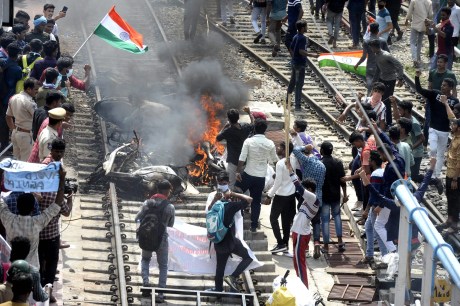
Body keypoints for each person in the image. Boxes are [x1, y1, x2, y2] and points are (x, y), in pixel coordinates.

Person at [0, 165, 67, 268]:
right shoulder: (37, 222)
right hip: (31, 268)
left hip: (11, 267)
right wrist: (62, 178)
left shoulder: (8, 219)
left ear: (17, 206)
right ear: (33, 209)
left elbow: (1, 203)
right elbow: (56, 204)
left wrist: (1, 173)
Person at [38, 138, 72, 303]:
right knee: (50, 265)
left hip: (38, 234)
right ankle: (47, 290)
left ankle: (41, 289)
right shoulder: (53, 195)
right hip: (51, 236)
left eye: (61, 152)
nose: (59, 154)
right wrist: (69, 198)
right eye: (57, 152)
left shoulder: (39, 193)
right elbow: (66, 212)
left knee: (41, 263)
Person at [415, 69, 458, 188]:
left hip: (444, 131)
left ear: (450, 87)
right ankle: (431, 169)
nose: (442, 86)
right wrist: (417, 77)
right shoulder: (435, 93)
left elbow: (454, 116)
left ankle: (435, 175)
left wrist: (446, 103)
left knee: (440, 154)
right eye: (442, 85)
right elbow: (420, 90)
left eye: (444, 85)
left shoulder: (454, 101)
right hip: (433, 128)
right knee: (433, 149)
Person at [206, 190, 253, 292]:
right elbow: (249, 199)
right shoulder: (231, 206)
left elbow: (208, 210)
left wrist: (215, 199)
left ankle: (218, 290)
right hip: (231, 242)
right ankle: (233, 277)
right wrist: (233, 193)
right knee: (248, 257)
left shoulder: (216, 205)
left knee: (220, 268)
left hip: (218, 241)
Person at [135, 180, 175, 302]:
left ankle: (146, 283)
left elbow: (137, 218)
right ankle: (160, 294)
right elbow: (171, 224)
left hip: (146, 236)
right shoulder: (170, 207)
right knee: (163, 266)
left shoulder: (147, 203)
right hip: (161, 239)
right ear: (167, 191)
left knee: (145, 259)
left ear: (157, 190)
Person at [236, 119, 278, 232]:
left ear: (254, 129)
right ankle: (254, 226)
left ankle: (237, 215)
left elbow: (242, 158)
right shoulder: (270, 143)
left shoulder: (248, 141)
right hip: (260, 177)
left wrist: (237, 172)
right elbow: (275, 161)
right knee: (256, 201)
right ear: (265, 130)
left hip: (248, 174)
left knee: (236, 192)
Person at [286, 160, 319, 288]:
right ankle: (301, 285)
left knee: (300, 263)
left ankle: (304, 288)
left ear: (310, 189)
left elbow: (299, 187)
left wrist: (290, 171)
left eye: (306, 189)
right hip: (297, 232)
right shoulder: (309, 199)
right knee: (296, 262)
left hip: (301, 234)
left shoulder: (313, 199)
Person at [292, 142, 326, 259]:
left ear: (306, 154)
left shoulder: (306, 161)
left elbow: (295, 150)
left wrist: (304, 147)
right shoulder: (322, 165)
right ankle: (317, 242)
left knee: (304, 221)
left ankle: (305, 248)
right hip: (319, 197)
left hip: (306, 196)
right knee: (316, 222)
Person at [264, 141, 296, 254]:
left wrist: (269, 195)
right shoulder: (293, 159)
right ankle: (285, 244)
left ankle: (280, 243)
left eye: (279, 147)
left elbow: (277, 183)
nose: (277, 148)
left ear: (283, 149)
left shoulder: (280, 163)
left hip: (281, 195)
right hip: (291, 195)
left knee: (273, 219)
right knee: (286, 221)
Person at [437, 96, 460, 233]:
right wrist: (446, 104)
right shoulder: (456, 136)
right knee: (450, 196)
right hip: (450, 172)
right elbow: (452, 118)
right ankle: (450, 219)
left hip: (456, 175)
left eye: (454, 125)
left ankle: (454, 224)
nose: (452, 126)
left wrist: (456, 178)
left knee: (455, 198)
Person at [0, 237, 48, 303]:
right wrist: (47, 293)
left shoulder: (2, 267)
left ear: (12, 250)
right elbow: (39, 296)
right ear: (27, 253)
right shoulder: (33, 271)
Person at [362, 151, 388, 267]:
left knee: (377, 231)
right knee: (368, 227)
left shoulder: (375, 175)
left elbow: (374, 194)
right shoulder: (382, 171)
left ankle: (385, 257)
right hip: (381, 205)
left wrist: (368, 209)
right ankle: (369, 254)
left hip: (376, 207)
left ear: (373, 162)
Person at [216, 107, 253, 189]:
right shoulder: (245, 126)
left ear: (228, 119)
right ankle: (244, 200)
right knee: (243, 183)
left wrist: (224, 127)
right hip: (244, 161)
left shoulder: (228, 131)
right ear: (238, 117)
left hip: (233, 161)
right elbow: (253, 125)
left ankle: (232, 200)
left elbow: (217, 138)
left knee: (231, 183)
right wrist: (249, 113)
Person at [320, 141, 347, 253]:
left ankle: (326, 246)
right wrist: (344, 195)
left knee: (325, 220)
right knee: (337, 217)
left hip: (324, 196)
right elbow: (343, 180)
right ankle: (340, 241)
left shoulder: (320, 163)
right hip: (336, 195)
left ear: (321, 151)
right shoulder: (338, 162)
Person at [370, 39, 404, 126]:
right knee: (377, 99)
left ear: (374, 47)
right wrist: (374, 82)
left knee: (386, 101)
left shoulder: (386, 55)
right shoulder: (376, 55)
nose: (371, 49)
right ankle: (379, 119)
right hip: (382, 78)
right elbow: (378, 69)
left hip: (390, 80)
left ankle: (388, 122)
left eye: (371, 47)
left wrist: (400, 78)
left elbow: (399, 65)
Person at [391, 98, 425, 181]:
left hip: (416, 152)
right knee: (408, 175)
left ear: (406, 110)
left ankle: (432, 180)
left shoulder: (414, 123)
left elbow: (422, 138)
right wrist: (394, 103)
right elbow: (396, 117)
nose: (399, 111)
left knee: (413, 177)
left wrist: (411, 147)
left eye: (400, 110)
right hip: (409, 149)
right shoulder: (404, 120)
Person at [5, 78, 39, 161]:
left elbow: (8, 116)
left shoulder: (13, 98)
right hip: (25, 135)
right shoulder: (29, 102)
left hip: (16, 133)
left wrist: (13, 129)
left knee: (17, 161)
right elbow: (37, 118)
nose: (37, 91)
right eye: (35, 89)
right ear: (28, 89)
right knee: (26, 163)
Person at [287, 20, 318, 111]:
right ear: (302, 28)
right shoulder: (302, 38)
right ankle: (297, 106)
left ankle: (287, 101)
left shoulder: (295, 36)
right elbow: (301, 51)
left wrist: (293, 58)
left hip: (295, 63)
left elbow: (291, 48)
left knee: (292, 82)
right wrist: (313, 55)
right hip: (300, 64)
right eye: (306, 26)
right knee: (299, 84)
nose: (307, 28)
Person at [0, 42, 23, 152]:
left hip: (1, 96)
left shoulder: (2, 63)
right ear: (18, 54)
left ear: (7, 52)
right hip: (8, 98)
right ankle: (5, 145)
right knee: (8, 122)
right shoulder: (17, 69)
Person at [355, 24, 389, 93]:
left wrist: (357, 64)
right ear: (378, 30)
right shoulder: (383, 41)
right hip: (381, 68)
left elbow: (364, 57)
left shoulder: (366, 41)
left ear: (369, 30)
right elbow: (388, 55)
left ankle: (369, 99)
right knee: (380, 88)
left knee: (370, 87)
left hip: (370, 67)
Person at [405, 0, 433, 67]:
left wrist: (407, 19)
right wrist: (428, 21)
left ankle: (415, 59)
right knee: (419, 42)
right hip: (424, 24)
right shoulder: (429, 2)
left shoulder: (414, 1)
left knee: (412, 42)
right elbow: (431, 14)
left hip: (415, 24)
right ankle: (418, 59)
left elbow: (409, 12)